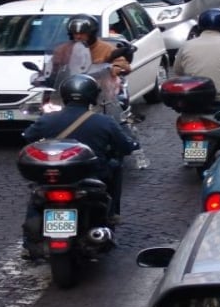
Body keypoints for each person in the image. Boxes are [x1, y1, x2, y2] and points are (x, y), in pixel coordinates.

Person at [20, 74, 139, 258]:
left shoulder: (47, 120)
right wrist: (131, 145)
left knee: (36, 194)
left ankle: (29, 243)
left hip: (55, 176)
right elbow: (123, 146)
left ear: (65, 95)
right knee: (116, 165)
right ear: (92, 97)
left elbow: (28, 137)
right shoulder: (105, 121)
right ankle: (112, 214)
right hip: (92, 176)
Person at [50, 14, 130, 117]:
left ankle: (118, 125)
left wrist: (116, 68)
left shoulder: (106, 48)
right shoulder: (62, 49)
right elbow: (53, 66)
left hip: (99, 94)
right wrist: (45, 76)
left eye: (83, 33)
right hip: (69, 94)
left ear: (91, 33)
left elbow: (122, 63)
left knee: (112, 116)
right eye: (75, 33)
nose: (78, 36)